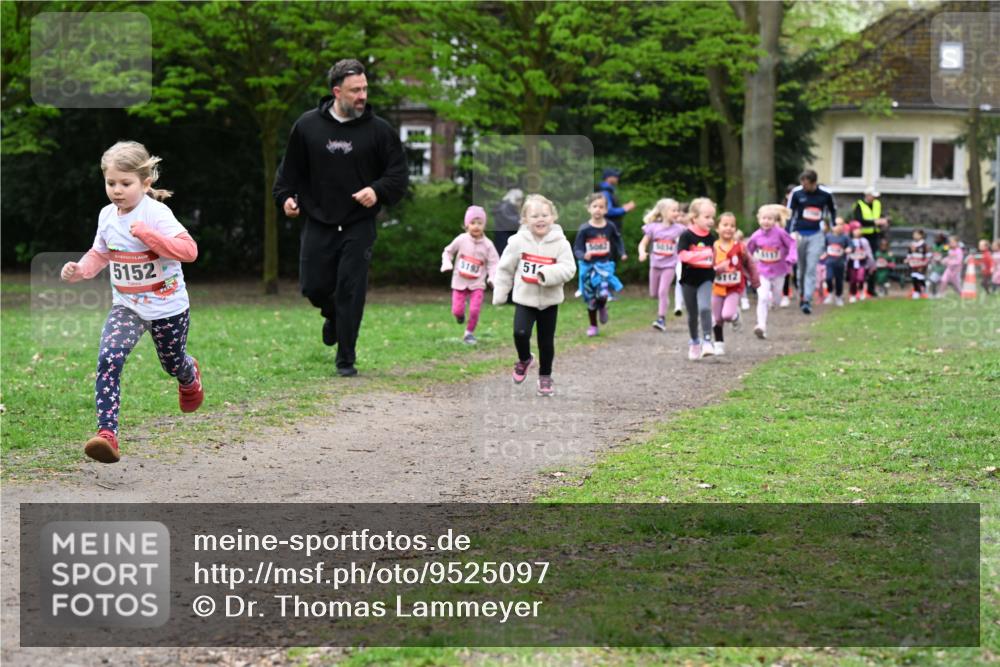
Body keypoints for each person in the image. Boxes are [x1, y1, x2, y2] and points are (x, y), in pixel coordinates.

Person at [60, 141, 203, 464]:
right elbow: (101, 253)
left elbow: (189, 251)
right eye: (111, 183)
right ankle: (106, 434)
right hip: (128, 306)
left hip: (168, 307)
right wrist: (80, 269)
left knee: (171, 363)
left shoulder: (156, 213)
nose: (117, 190)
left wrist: (149, 236)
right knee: (109, 358)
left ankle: (188, 373)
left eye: (126, 184)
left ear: (145, 182)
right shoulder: (107, 216)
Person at [273, 58, 409, 377]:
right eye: (355, 90)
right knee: (313, 287)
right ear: (337, 91)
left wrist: (377, 190)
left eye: (364, 88)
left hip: (358, 224)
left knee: (350, 289)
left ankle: (346, 359)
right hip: (318, 220)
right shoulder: (307, 127)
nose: (362, 95)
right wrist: (287, 199)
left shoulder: (380, 131)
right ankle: (333, 316)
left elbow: (398, 175)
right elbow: (288, 174)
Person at [492, 194, 575, 396]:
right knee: (520, 333)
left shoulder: (561, 243)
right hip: (525, 299)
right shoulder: (517, 242)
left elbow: (569, 269)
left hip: (549, 301)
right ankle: (524, 359)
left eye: (545, 215)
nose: (540, 219)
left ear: (553, 217)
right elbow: (505, 269)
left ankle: (545, 377)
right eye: (535, 215)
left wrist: (547, 273)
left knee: (546, 342)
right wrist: (500, 293)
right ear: (525, 220)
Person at [441, 206, 500, 345]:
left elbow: (494, 263)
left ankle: (469, 333)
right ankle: (460, 316)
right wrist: (447, 263)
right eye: (473, 223)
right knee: (457, 310)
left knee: (474, 310)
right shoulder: (461, 239)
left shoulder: (488, 245)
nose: (476, 226)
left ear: (484, 225)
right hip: (459, 282)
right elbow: (448, 251)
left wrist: (492, 277)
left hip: (477, 284)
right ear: (467, 224)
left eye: (480, 223)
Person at [574, 193, 626, 337]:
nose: (598, 209)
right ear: (588, 208)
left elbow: (617, 239)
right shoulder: (584, 228)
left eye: (601, 207)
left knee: (602, 294)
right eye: (594, 206)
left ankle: (602, 306)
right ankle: (593, 326)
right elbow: (577, 248)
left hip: (604, 267)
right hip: (588, 268)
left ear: (606, 210)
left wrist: (622, 252)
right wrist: (583, 255)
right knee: (591, 300)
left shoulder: (610, 226)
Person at [786, 169, 837, 314]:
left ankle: (807, 299)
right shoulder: (797, 193)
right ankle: (802, 294)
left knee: (811, 267)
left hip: (817, 234)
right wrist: (788, 233)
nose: (804, 186)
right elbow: (790, 213)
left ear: (814, 183)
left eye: (806, 184)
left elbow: (832, 211)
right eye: (802, 183)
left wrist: (832, 228)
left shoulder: (825, 194)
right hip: (799, 233)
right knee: (801, 268)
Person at [711, 212, 759, 356]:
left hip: (734, 288)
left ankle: (735, 316)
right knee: (717, 318)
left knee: (727, 315)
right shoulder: (713, 247)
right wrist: (717, 269)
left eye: (732, 226)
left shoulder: (740, 247)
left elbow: (750, 263)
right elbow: (707, 266)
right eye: (725, 225)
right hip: (716, 288)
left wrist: (755, 280)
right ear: (717, 228)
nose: (729, 228)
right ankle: (719, 343)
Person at [677, 197, 719, 360]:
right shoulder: (686, 236)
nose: (711, 221)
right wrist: (702, 254)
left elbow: (716, 257)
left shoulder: (713, 237)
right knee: (692, 314)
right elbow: (682, 255)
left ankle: (708, 341)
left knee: (705, 308)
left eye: (712, 217)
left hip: (706, 277)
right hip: (688, 279)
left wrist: (720, 264)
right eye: (707, 217)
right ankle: (694, 341)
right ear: (694, 217)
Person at [746, 204, 796, 339]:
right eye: (763, 218)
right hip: (762, 271)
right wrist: (745, 264)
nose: (766, 221)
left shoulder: (780, 233)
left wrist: (791, 257)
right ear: (759, 219)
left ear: (775, 221)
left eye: (769, 219)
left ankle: (774, 302)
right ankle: (761, 326)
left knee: (777, 298)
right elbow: (747, 251)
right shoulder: (756, 236)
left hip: (779, 271)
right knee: (762, 297)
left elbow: (792, 244)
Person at [637, 198, 686, 331]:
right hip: (655, 265)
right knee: (653, 293)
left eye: (678, 210)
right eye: (674, 210)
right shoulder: (653, 228)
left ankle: (661, 319)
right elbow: (643, 243)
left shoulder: (680, 229)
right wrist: (642, 253)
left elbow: (689, 239)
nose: (677, 213)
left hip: (670, 265)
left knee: (662, 291)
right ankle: (663, 306)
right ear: (663, 212)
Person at [850, 186, 890, 297]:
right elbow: (858, 220)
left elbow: (880, 216)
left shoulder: (877, 204)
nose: (874, 198)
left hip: (874, 236)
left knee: (872, 262)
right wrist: (875, 222)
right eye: (873, 196)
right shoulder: (859, 205)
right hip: (862, 237)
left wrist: (884, 220)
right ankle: (858, 289)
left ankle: (871, 289)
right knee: (860, 262)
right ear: (867, 195)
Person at [597, 168, 636, 234]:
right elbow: (608, 211)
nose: (617, 178)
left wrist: (622, 208)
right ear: (608, 178)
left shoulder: (609, 191)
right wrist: (624, 209)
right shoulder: (605, 192)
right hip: (608, 230)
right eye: (615, 176)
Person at [822, 218, 850, 307]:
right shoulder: (828, 236)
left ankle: (838, 296)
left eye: (841, 224)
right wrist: (823, 253)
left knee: (839, 280)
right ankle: (830, 294)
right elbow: (824, 246)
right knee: (828, 278)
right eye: (837, 224)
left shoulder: (845, 237)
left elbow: (851, 245)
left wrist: (849, 248)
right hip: (829, 262)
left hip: (840, 263)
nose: (839, 227)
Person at [492, 188, 523, 259]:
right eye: (520, 199)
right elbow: (511, 224)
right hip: (504, 240)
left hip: (501, 239)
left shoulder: (504, 206)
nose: (521, 202)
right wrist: (521, 220)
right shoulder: (507, 207)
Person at [846, 222, 873, 303]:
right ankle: (853, 294)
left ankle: (861, 291)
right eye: (855, 230)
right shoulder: (849, 240)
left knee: (861, 278)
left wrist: (871, 263)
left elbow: (868, 252)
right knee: (853, 280)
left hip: (862, 262)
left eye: (859, 229)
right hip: (852, 263)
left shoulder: (864, 241)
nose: (857, 231)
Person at [905, 229, 931, 299]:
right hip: (913, 264)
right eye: (914, 234)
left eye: (916, 234)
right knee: (914, 278)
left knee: (920, 278)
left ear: (921, 235)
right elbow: (909, 254)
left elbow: (928, 255)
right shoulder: (912, 245)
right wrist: (907, 259)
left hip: (921, 264)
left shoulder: (924, 245)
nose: (915, 236)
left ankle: (923, 289)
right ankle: (917, 291)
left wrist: (926, 262)